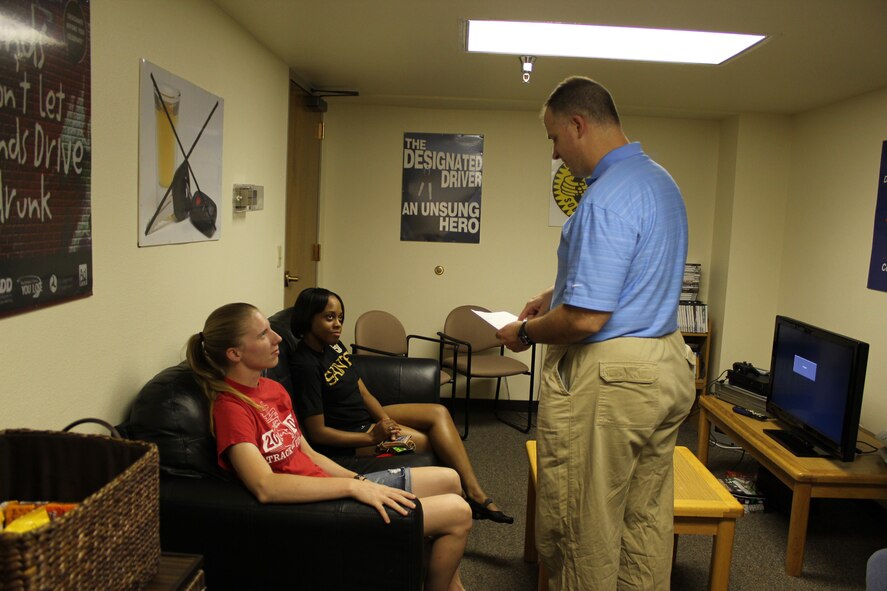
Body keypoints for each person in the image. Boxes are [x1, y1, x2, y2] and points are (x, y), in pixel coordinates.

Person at [496, 77, 696, 590]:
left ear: (577, 125)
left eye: (554, 139)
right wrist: (557, 290)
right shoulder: (659, 181)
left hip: (613, 382)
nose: (557, 154)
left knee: (585, 527)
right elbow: (633, 272)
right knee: (643, 519)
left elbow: (585, 320)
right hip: (666, 366)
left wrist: (526, 329)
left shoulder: (604, 199)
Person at [186, 302, 471, 591]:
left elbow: (308, 454)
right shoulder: (231, 409)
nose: (277, 339)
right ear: (234, 353)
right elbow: (265, 485)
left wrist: (357, 480)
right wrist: (352, 488)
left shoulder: (273, 389)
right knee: (458, 511)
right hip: (317, 509)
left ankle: (450, 583)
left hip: (330, 486)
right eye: (263, 335)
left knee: (449, 479)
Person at [287, 287, 514, 525]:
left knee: (439, 412)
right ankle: (460, 500)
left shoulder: (334, 346)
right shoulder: (305, 365)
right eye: (329, 317)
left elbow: (362, 391)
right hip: (354, 436)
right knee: (426, 441)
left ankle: (474, 493)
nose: (338, 325)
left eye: (340, 318)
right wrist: (372, 437)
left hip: (368, 419)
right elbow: (317, 433)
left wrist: (386, 421)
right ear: (308, 317)